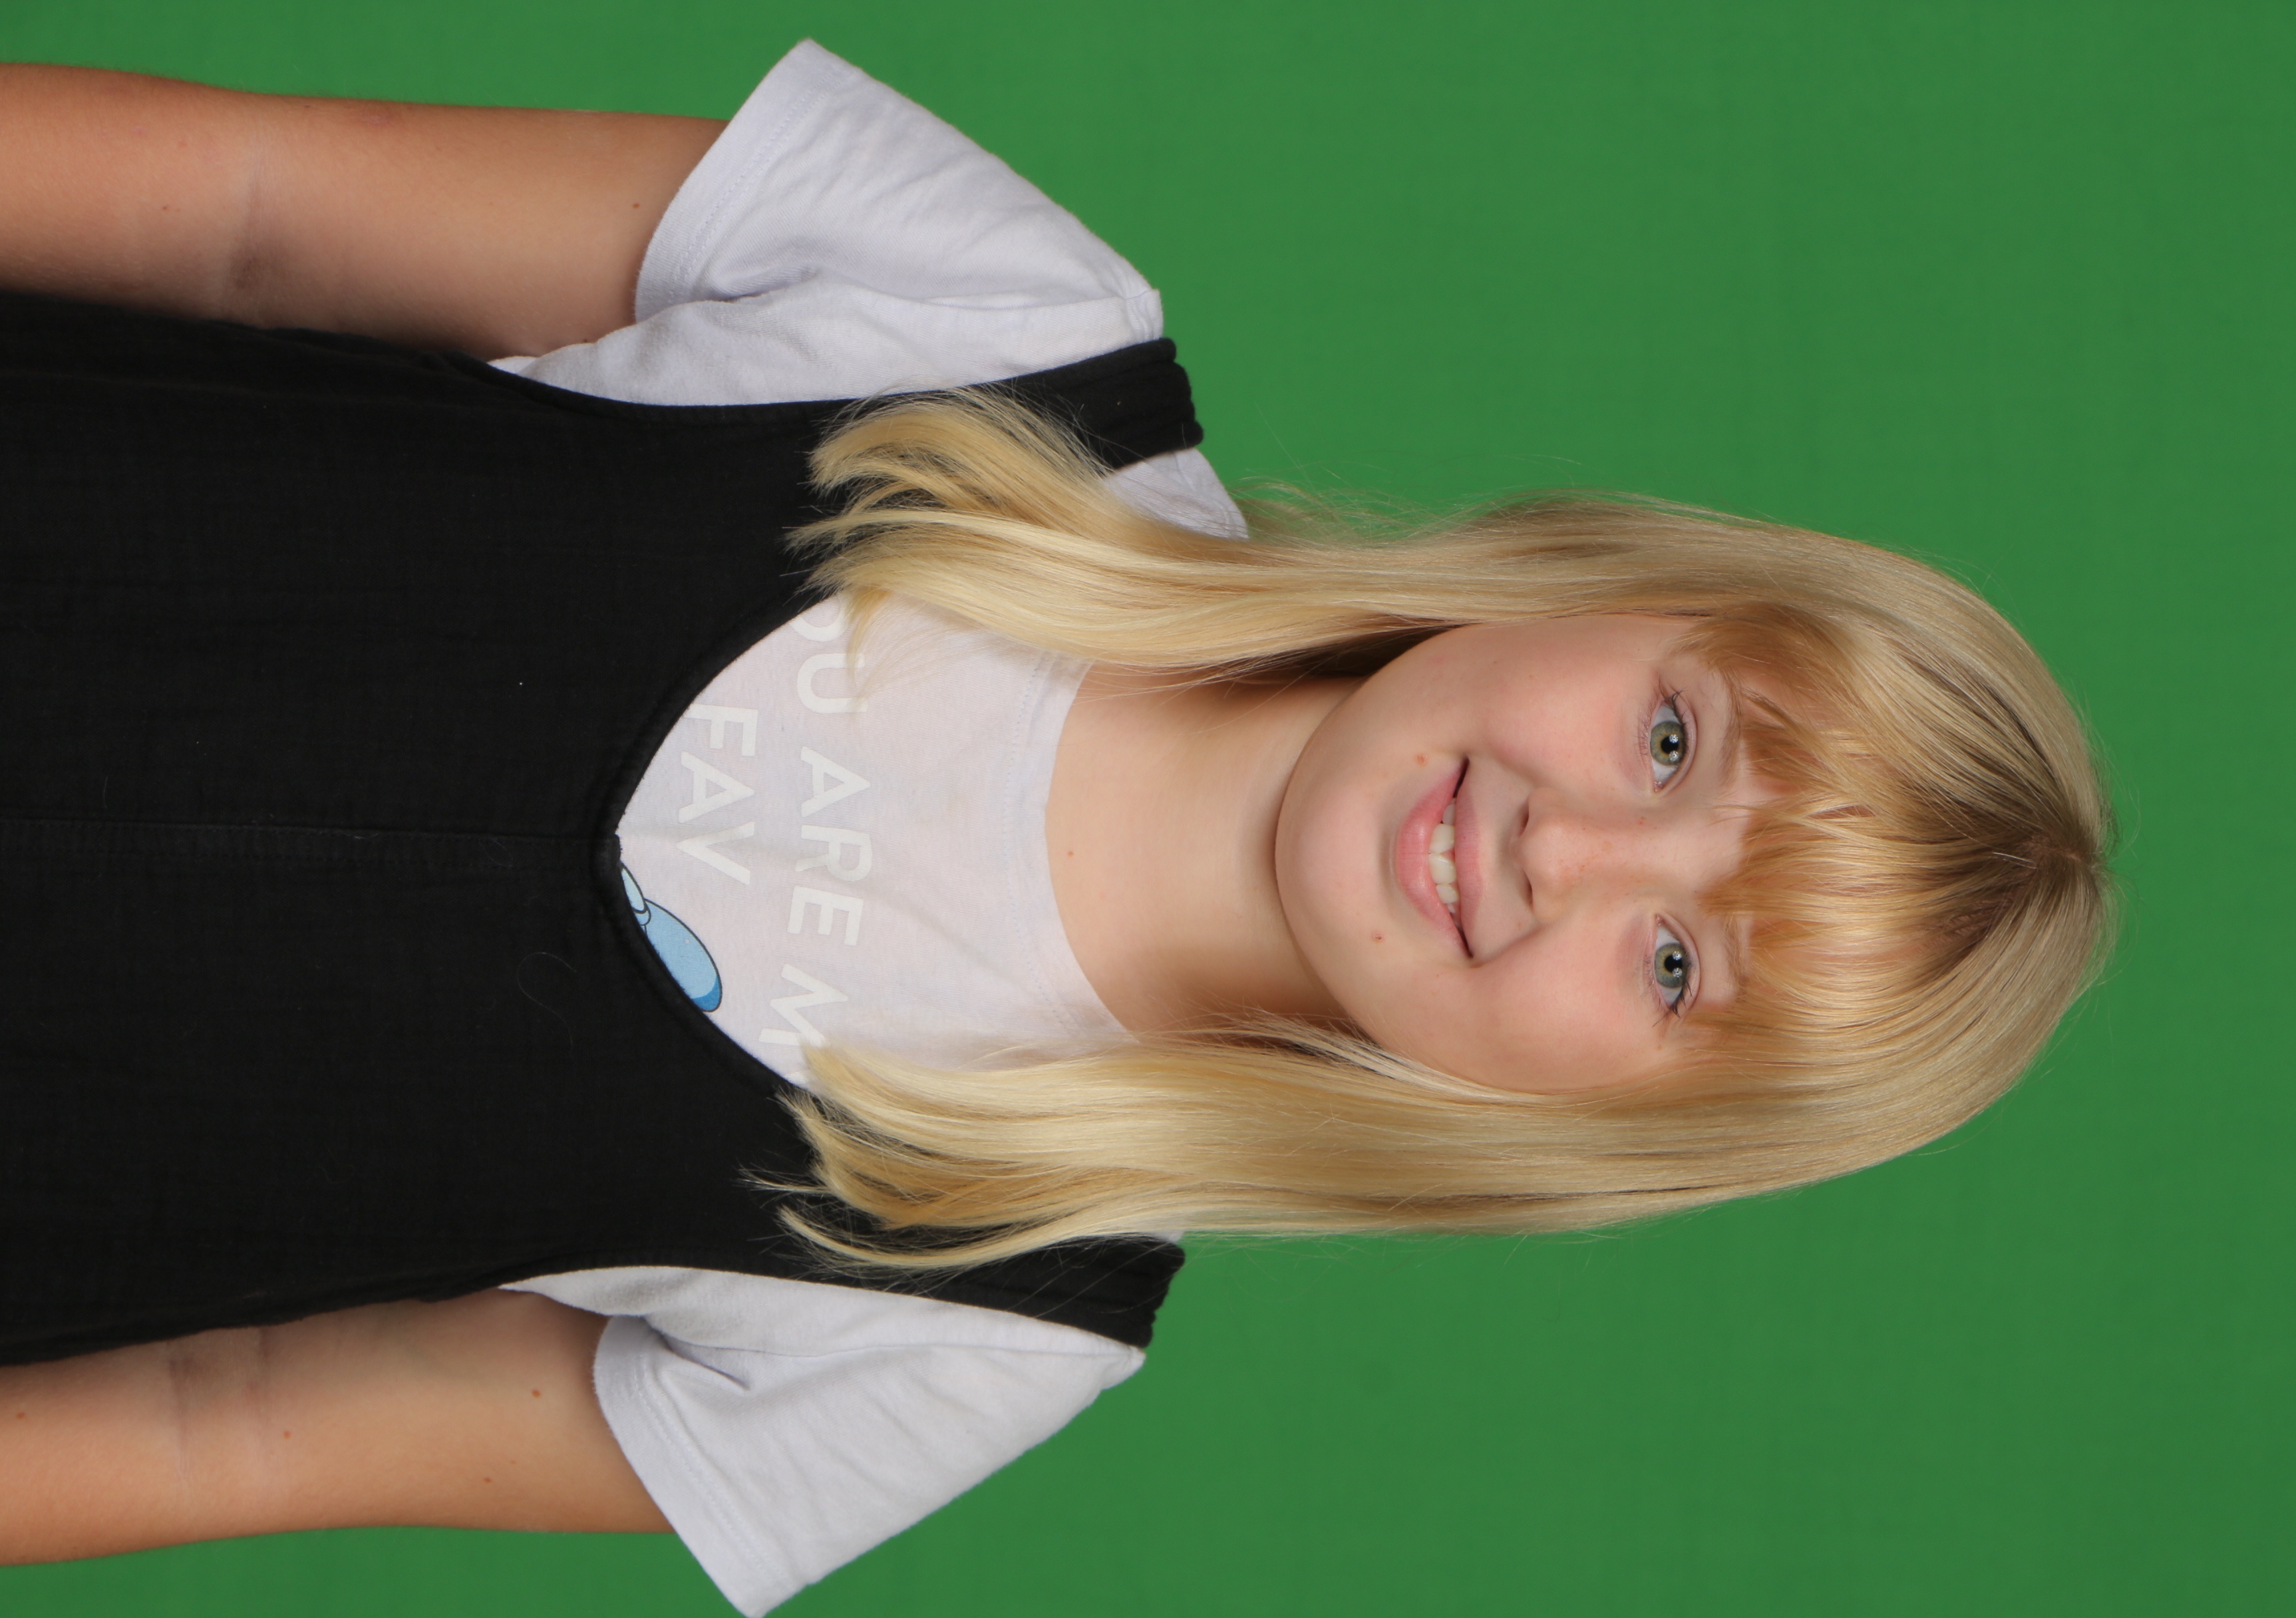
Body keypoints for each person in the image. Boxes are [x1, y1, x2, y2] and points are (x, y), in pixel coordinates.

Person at [0, 37, 2110, 1617]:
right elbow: (247, 213)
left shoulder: (977, 1326)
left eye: (1673, 966)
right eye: (1670, 740)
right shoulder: (1005, 326)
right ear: (1611, 587)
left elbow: (218, 1424)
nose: (1568, 854)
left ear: (1609, 1132)